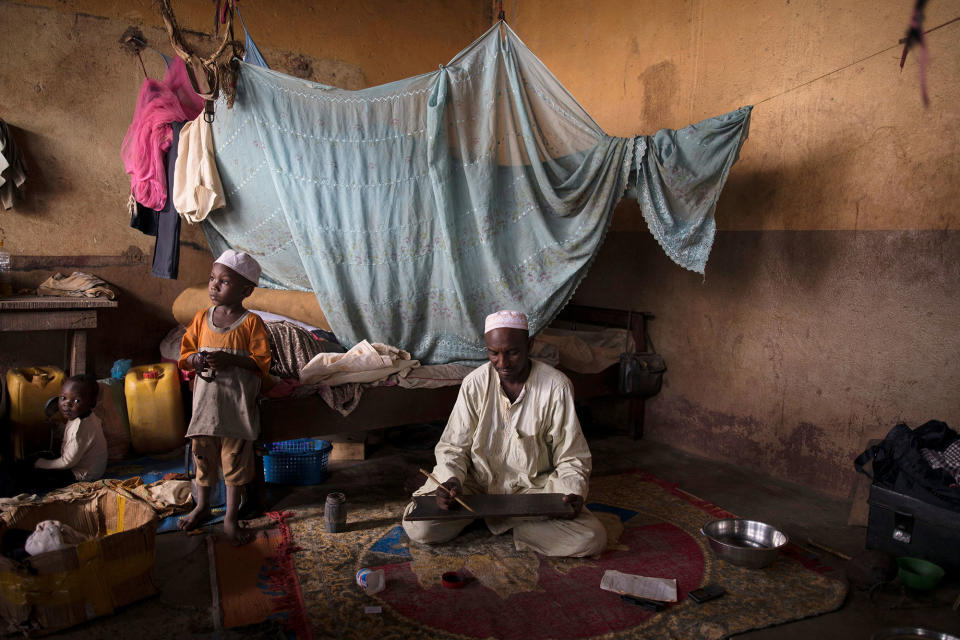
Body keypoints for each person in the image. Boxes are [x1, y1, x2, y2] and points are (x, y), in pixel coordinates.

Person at [402, 310, 607, 557]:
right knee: (419, 527)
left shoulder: (556, 386)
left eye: (512, 352)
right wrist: (452, 480)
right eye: (493, 353)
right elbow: (453, 446)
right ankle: (506, 520)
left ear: (529, 345)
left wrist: (572, 492)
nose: (503, 363)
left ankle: (502, 521)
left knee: (591, 539)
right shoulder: (475, 383)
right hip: (475, 488)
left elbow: (571, 456)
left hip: (531, 493)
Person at [178, 249, 271, 544]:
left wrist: (231, 359)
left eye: (224, 281)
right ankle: (203, 506)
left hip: (235, 409)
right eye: (212, 278)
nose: (214, 286)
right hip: (206, 409)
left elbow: (261, 363)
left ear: (246, 290)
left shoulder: (251, 323)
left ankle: (230, 517)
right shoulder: (201, 319)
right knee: (202, 456)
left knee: (234, 461)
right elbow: (185, 355)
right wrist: (196, 361)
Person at [24, 374, 107, 492]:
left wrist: (39, 463)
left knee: (35, 477)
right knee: (41, 460)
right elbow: (72, 435)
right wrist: (59, 428)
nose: (67, 404)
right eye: (63, 398)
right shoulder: (84, 416)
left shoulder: (81, 429)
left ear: (92, 403)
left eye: (76, 400)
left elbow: (67, 462)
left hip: (84, 475)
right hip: (86, 465)